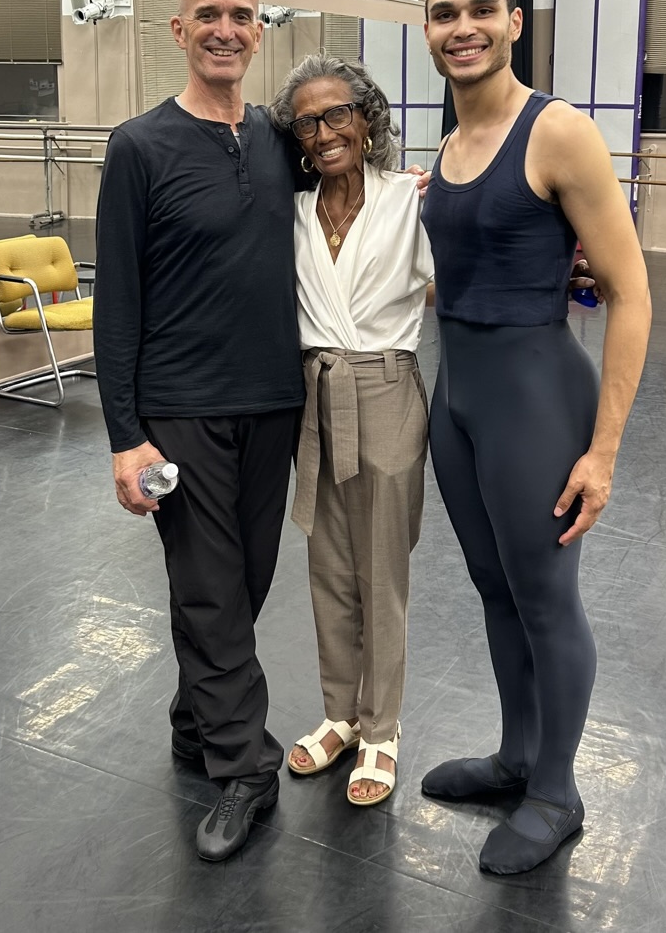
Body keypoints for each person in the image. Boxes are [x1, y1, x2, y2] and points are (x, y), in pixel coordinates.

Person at [418, 0, 651, 875]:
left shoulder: (558, 132)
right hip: (460, 397)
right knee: (492, 588)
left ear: (516, 23)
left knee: (547, 601)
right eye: (444, 13)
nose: (462, 26)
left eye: (482, 10)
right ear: (428, 30)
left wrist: (603, 453)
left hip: (535, 397)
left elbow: (631, 296)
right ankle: (517, 755)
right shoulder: (445, 145)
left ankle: (557, 790)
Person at [93, 0, 305, 862]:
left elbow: (353, 201)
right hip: (178, 409)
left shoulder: (280, 139)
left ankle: (195, 716)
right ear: (178, 32)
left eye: (242, 16)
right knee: (210, 585)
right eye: (208, 15)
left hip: (273, 401)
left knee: (244, 583)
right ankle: (244, 765)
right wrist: (124, 435)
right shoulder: (138, 146)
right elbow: (120, 303)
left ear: (260, 33)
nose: (226, 28)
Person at [269, 55, 433, 805]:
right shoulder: (294, 210)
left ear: (368, 120)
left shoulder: (411, 199)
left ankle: (382, 728)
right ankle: (340, 713)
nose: (324, 131)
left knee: (380, 573)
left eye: (338, 113)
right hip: (316, 391)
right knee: (328, 567)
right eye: (307, 121)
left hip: (386, 387)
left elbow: (452, 278)